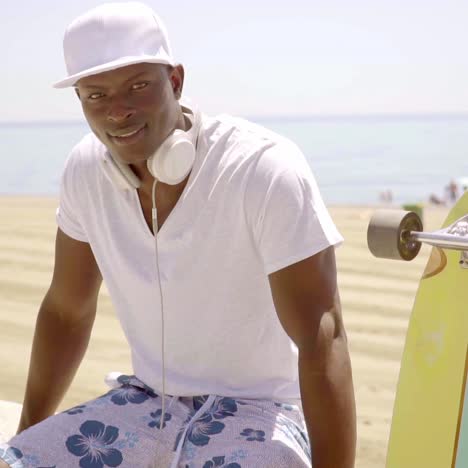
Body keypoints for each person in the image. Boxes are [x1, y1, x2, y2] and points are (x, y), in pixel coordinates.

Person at [0, 3, 356, 467]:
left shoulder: (262, 168)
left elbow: (322, 336)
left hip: (264, 410)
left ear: (176, 81)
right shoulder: (85, 171)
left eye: (138, 86)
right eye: (96, 95)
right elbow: (68, 310)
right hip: (149, 402)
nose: (118, 111)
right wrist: (28, 436)